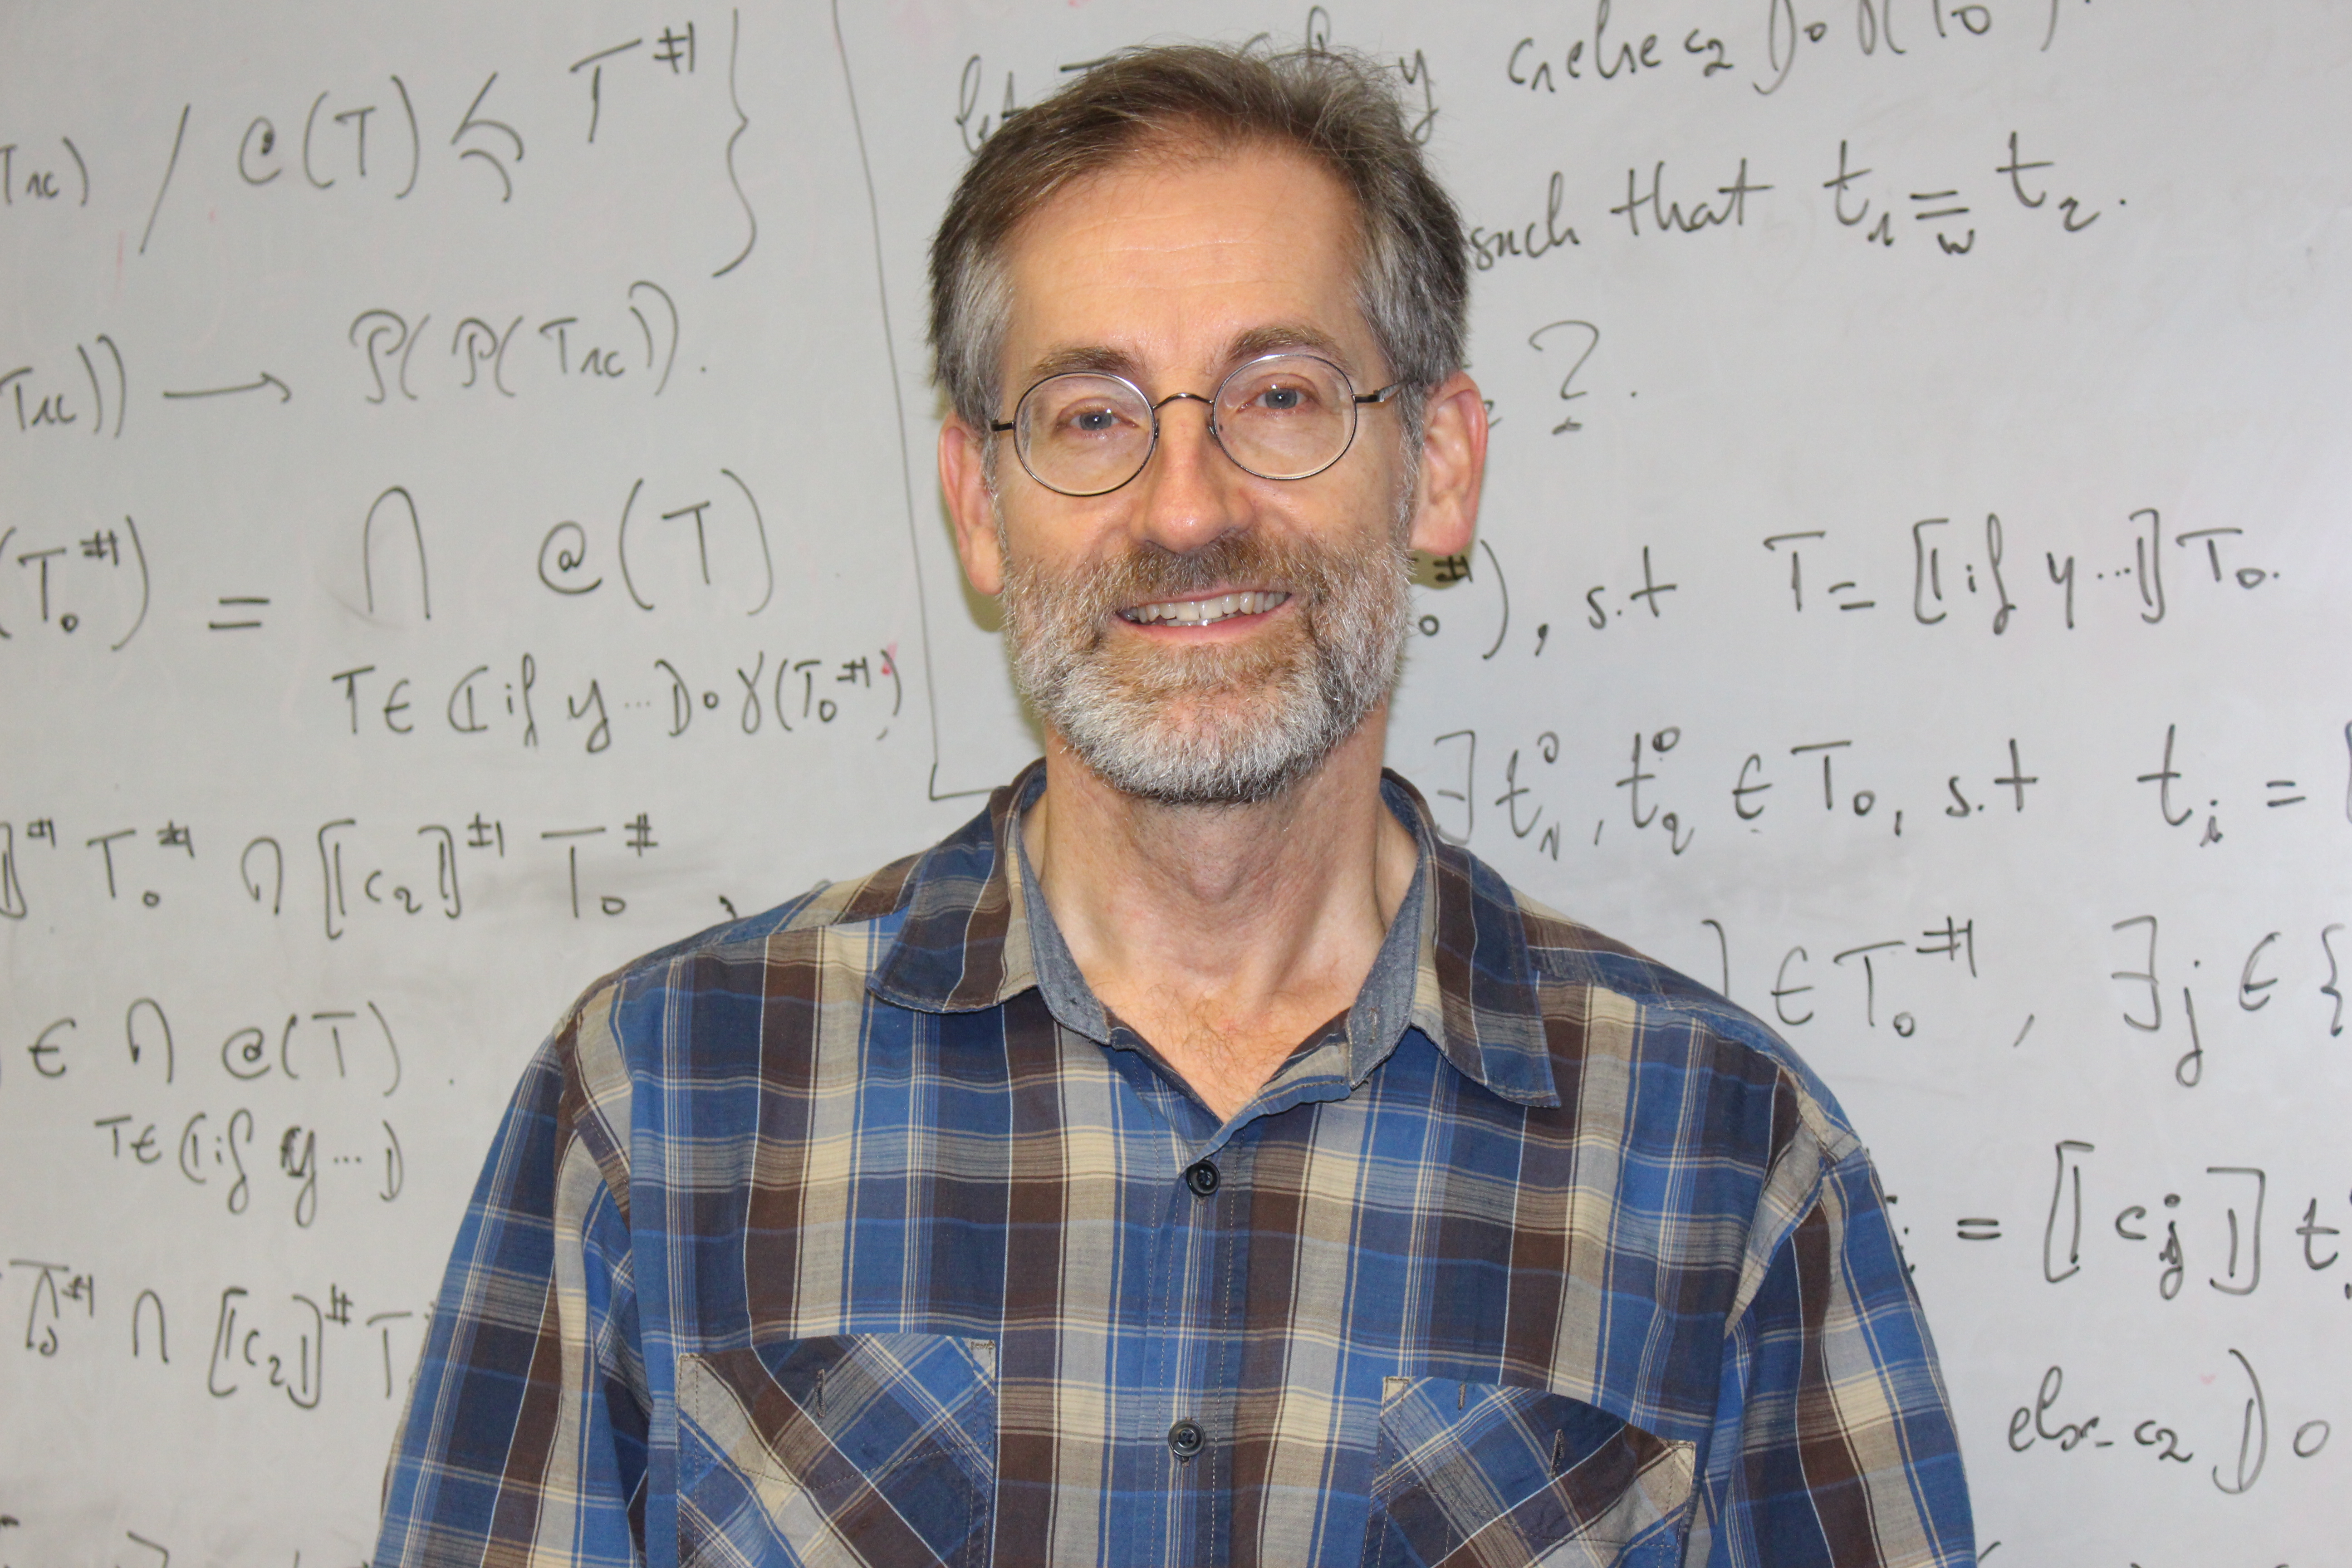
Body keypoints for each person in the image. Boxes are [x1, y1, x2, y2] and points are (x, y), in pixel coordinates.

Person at [374, 43, 1976, 1568]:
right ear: (978, 509)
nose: (1188, 505)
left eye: (1280, 396)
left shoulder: (1721, 1158)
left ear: (1438, 467)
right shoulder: (662, 1109)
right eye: (1091, 416)